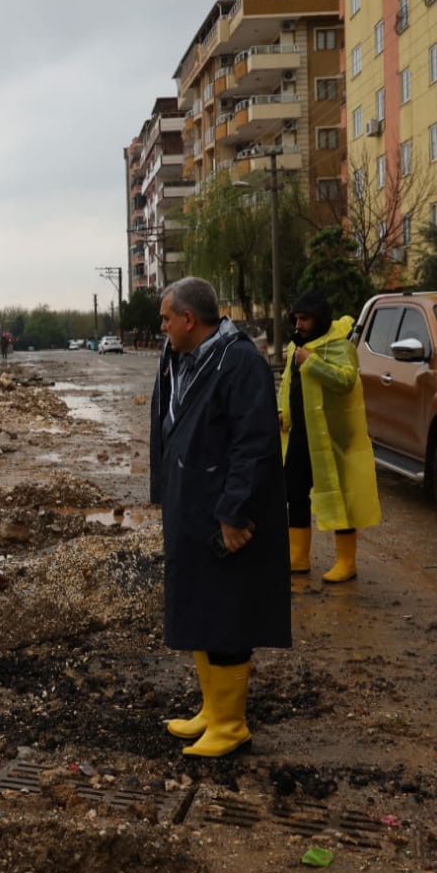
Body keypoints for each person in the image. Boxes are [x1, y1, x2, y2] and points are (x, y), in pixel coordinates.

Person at [149, 277, 290, 757]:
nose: (162, 327)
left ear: (189, 319)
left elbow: (254, 444)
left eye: (167, 318)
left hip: (221, 509)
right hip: (191, 503)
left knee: (227, 611)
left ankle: (231, 725)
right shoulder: (182, 358)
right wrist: (164, 492)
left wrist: (234, 512)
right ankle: (213, 710)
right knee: (200, 608)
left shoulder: (239, 361)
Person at [277, 289, 381, 583]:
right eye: (297, 318)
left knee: (340, 495)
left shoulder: (338, 346)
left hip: (332, 436)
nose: (299, 324)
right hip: (300, 434)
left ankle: (347, 562)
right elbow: (288, 383)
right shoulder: (296, 346)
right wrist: (281, 410)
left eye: (305, 319)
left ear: (319, 319)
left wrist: (311, 362)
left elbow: (346, 381)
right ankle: (298, 558)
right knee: (295, 494)